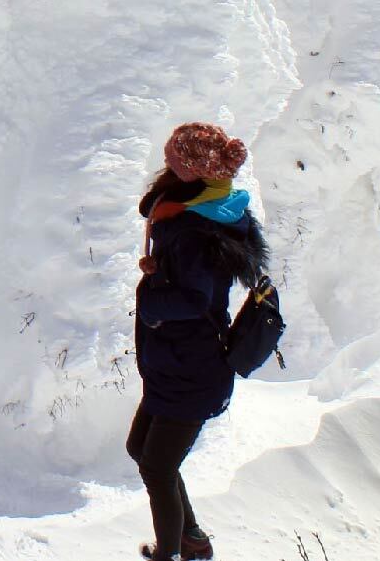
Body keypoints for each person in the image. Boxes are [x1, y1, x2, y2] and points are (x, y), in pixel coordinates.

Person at [132, 122, 267, 561]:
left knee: (157, 465)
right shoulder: (202, 210)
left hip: (192, 366)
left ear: (190, 171)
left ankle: (174, 553)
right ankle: (190, 539)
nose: (166, 165)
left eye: (174, 160)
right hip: (175, 361)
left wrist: (151, 302)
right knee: (143, 450)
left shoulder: (195, 229)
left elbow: (194, 299)